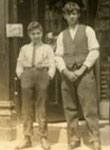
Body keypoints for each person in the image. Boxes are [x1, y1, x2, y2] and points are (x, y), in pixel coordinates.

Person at [55, 2, 101, 150]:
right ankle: (74, 138)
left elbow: (94, 52)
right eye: (69, 14)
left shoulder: (88, 31)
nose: (72, 17)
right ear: (64, 16)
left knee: (89, 108)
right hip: (67, 76)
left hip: (85, 75)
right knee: (70, 108)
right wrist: (66, 72)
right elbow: (57, 56)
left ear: (78, 15)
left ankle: (94, 139)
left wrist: (82, 69)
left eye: (74, 13)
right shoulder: (62, 35)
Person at [16, 21, 55, 150]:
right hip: (27, 75)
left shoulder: (47, 48)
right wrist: (22, 75)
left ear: (42, 33)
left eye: (38, 33)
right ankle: (27, 137)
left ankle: (43, 137)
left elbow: (52, 64)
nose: (36, 36)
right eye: (33, 34)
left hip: (42, 75)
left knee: (41, 107)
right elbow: (19, 64)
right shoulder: (24, 48)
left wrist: (49, 76)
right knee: (26, 108)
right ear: (29, 35)